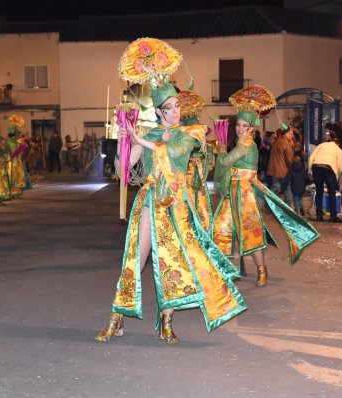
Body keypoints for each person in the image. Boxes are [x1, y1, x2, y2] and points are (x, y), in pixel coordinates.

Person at [96, 38, 247, 344]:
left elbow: (173, 152)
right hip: (150, 202)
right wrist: (124, 143)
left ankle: (166, 321)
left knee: (173, 262)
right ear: (160, 112)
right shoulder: (148, 133)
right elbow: (124, 167)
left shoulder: (190, 133)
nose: (177, 111)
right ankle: (117, 317)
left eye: (178, 105)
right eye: (171, 108)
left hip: (176, 205)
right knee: (134, 261)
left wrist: (141, 141)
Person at [213, 85, 319, 287]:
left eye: (244, 126)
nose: (240, 128)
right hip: (234, 190)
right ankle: (223, 270)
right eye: (239, 125)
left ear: (252, 128)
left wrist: (221, 149)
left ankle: (262, 270)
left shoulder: (245, 144)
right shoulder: (241, 142)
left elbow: (227, 161)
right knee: (222, 228)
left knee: (250, 233)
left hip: (245, 193)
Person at [178, 90, 215, 231]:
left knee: (190, 204)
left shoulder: (187, 131)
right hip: (192, 173)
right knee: (197, 204)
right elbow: (207, 158)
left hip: (188, 173)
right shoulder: (197, 130)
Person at [308, 129, 342, 222]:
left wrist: (310, 171)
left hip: (316, 167)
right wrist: (337, 175)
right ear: (337, 144)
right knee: (331, 192)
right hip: (329, 168)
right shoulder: (338, 150)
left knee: (319, 191)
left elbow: (311, 157)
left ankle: (319, 216)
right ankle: (333, 216)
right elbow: (340, 166)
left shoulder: (321, 145)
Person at [267, 126, 295, 205]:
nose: (292, 136)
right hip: (284, 171)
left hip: (274, 170)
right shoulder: (287, 143)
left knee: (275, 188)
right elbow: (290, 160)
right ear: (286, 134)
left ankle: (270, 205)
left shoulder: (277, 141)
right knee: (288, 189)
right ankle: (287, 207)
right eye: (290, 134)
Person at [6, 114, 31, 197]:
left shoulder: (15, 142)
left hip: (14, 160)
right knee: (14, 175)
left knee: (15, 175)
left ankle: (16, 191)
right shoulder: (13, 142)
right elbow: (14, 151)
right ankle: (14, 191)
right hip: (13, 161)